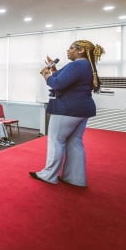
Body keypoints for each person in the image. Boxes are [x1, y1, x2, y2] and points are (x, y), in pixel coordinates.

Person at [30, 40, 105, 187]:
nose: (68, 51)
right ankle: (75, 178)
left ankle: (48, 175)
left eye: (71, 48)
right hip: (82, 109)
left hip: (67, 108)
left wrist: (46, 75)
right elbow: (66, 81)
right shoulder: (87, 66)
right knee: (74, 142)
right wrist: (54, 70)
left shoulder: (77, 65)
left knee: (56, 141)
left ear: (81, 50)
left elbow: (57, 84)